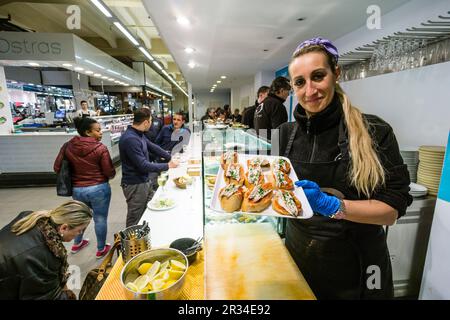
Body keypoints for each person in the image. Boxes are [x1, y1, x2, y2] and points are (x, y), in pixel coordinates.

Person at [276, 37, 412, 299]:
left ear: (336, 73)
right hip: (298, 259)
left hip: (357, 271)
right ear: (292, 87)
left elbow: (391, 212)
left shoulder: (375, 132)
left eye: (318, 76)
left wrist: (334, 206)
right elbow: (273, 186)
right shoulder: (283, 134)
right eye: (300, 82)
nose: (310, 90)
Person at [0, 200, 92, 300]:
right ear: (64, 228)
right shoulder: (44, 256)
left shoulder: (30, 217)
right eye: (80, 230)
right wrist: (68, 296)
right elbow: (45, 296)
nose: (80, 234)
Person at [54, 117, 116, 258]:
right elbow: (109, 172)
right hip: (99, 188)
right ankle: (101, 249)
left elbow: (57, 167)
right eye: (98, 130)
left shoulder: (67, 146)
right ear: (88, 132)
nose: (101, 133)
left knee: (79, 216)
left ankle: (77, 243)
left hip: (78, 189)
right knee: (100, 218)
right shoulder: (100, 148)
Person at [119, 108, 179, 227]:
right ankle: (130, 243)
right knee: (135, 216)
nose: (152, 123)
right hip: (135, 184)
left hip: (143, 181)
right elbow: (143, 165)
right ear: (146, 122)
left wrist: (169, 157)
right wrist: (167, 165)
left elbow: (152, 147)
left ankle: (144, 238)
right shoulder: (130, 139)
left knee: (149, 210)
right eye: (151, 121)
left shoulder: (138, 134)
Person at [254, 76, 291, 141]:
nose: (288, 94)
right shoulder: (277, 105)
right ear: (281, 90)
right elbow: (279, 133)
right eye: (288, 91)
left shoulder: (262, 104)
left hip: (262, 146)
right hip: (272, 148)